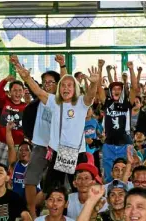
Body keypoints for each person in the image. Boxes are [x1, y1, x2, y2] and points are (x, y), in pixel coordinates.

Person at [14, 55, 98, 194]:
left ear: (75, 88)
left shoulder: (81, 103)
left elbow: (90, 96)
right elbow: (38, 92)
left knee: (80, 190)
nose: (66, 88)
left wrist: (94, 83)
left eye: (70, 85)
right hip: (57, 152)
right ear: (59, 88)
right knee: (50, 190)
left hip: (76, 153)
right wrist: (27, 78)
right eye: (63, 85)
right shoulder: (54, 102)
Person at [23, 54, 66, 219]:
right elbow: (27, 120)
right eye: (45, 82)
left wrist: (62, 66)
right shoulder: (36, 102)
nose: (47, 85)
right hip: (40, 146)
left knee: (57, 183)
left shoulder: (63, 101)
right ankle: (33, 215)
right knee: (30, 179)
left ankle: (56, 212)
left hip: (60, 148)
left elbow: (65, 81)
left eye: (51, 82)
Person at [97, 61, 138, 182]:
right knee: (109, 178)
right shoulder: (107, 103)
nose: (116, 90)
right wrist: (100, 68)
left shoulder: (127, 104)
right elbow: (98, 87)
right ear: (110, 91)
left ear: (122, 91)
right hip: (109, 145)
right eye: (114, 88)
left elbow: (135, 88)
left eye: (119, 89)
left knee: (126, 176)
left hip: (125, 145)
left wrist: (131, 69)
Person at [0, 66, 26, 165]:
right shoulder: (4, 102)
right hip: (2, 142)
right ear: (10, 92)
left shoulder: (26, 107)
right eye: (15, 90)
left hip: (18, 144)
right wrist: (6, 79)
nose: (17, 93)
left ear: (24, 92)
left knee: (15, 170)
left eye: (20, 90)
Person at [67, 153, 104, 220]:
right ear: (74, 183)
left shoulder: (102, 202)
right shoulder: (67, 200)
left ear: (93, 182)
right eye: (80, 178)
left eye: (86, 178)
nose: (83, 182)